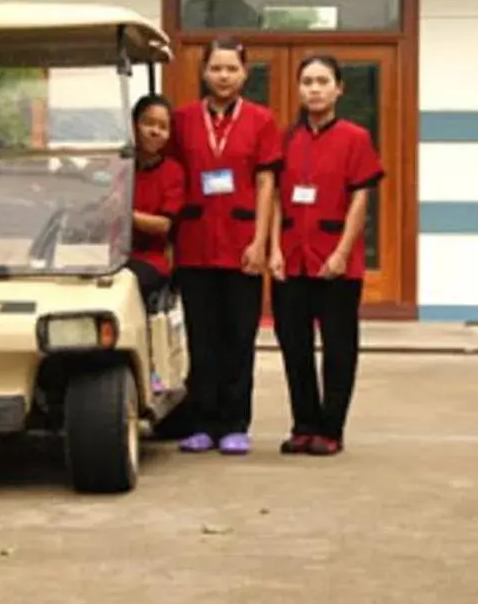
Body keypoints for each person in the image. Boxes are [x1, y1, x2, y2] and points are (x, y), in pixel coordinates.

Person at [171, 37, 280, 454]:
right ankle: (202, 421)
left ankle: (235, 423)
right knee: (202, 337)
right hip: (195, 244)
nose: (223, 76)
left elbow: (267, 181)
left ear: (244, 73)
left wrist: (260, 242)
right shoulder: (183, 120)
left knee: (238, 337)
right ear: (203, 72)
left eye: (231, 69)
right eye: (216, 68)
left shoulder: (260, 120)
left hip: (241, 245)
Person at [270, 54, 382, 456]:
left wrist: (342, 252)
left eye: (322, 81)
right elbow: (277, 199)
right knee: (294, 347)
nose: (314, 89)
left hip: (335, 265)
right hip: (292, 260)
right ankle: (303, 425)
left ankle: (331, 430)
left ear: (339, 88)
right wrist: (273, 250)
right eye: (307, 82)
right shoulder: (285, 139)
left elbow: (359, 200)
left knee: (338, 349)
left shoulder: (355, 138)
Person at [125, 93, 183, 304]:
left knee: (124, 284)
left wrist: (125, 214)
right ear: (133, 124)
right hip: (108, 257)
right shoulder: (118, 165)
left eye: (162, 126)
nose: (154, 131)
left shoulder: (172, 172)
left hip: (150, 259)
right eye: (148, 123)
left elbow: (164, 225)